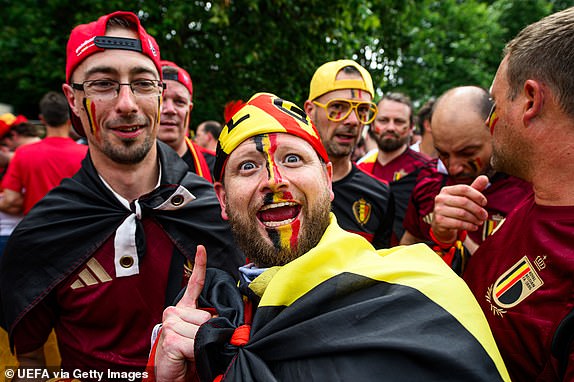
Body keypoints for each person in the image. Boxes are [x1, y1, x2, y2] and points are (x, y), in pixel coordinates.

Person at [145, 92, 510, 382]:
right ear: (223, 199)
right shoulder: (210, 313)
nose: (274, 180)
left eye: (293, 160)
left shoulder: (418, 286)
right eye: (248, 166)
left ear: (328, 179)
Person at [0, 11, 244, 376]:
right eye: (103, 83)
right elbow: (30, 361)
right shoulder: (46, 231)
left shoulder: (214, 212)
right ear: (72, 100)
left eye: (143, 83)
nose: (127, 103)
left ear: (160, 95)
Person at [431, 7, 574, 381]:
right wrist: (446, 241)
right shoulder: (542, 193)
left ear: (529, 100)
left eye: (495, 104)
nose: (490, 121)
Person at [400, 86, 531, 273]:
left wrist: (462, 237)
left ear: (495, 129)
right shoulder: (427, 181)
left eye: (467, 153)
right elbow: (407, 244)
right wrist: (438, 239)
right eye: (443, 154)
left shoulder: (528, 186)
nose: (453, 167)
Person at [303, 59, 393, 248]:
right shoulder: (281, 184)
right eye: (337, 107)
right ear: (310, 111)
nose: (353, 120)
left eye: (362, 110)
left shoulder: (379, 194)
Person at [357, 92, 433, 244]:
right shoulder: (361, 167)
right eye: (383, 120)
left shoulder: (428, 171)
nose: (390, 127)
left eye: (398, 122)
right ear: (373, 124)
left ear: (411, 127)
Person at [0, 91, 88, 216]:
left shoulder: (23, 153)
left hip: (37, 229)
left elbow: (11, 200)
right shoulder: (87, 155)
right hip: (77, 229)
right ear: (70, 118)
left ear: (42, 119)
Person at [158, 60, 213, 182]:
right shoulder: (121, 166)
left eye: (179, 101)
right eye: (161, 99)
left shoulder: (217, 168)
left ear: (189, 109)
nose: (170, 110)